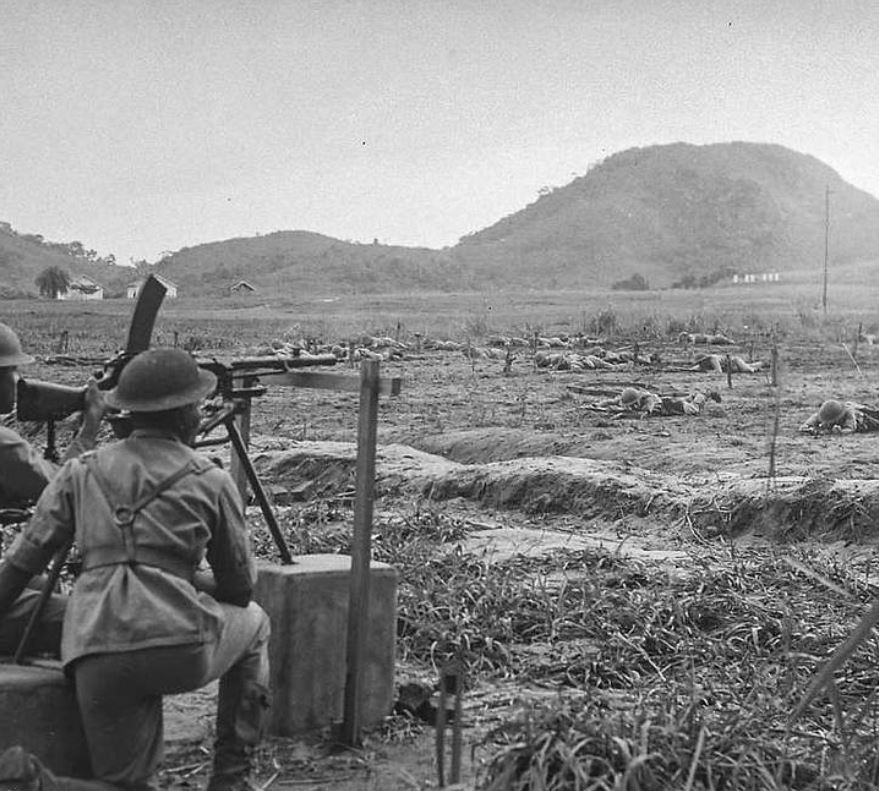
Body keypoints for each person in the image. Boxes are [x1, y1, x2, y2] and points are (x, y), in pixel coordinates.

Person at [0, 348, 271, 791]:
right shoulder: (211, 479)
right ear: (186, 414)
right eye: (198, 405)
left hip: (92, 646)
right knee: (257, 624)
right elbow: (240, 590)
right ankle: (231, 779)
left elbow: (19, 568)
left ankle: (35, 784)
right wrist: (181, 577)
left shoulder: (79, 472)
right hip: (178, 646)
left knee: (124, 784)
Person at [0, 321, 105, 657]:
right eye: (10, 370)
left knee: (42, 588)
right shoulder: (4, 447)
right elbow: (64, 488)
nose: (17, 381)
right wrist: (88, 431)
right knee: (94, 623)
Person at [799, 399, 879, 434]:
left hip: (867, 420)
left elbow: (851, 428)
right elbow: (814, 418)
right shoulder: (823, 414)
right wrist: (806, 426)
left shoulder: (849, 412)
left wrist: (841, 431)